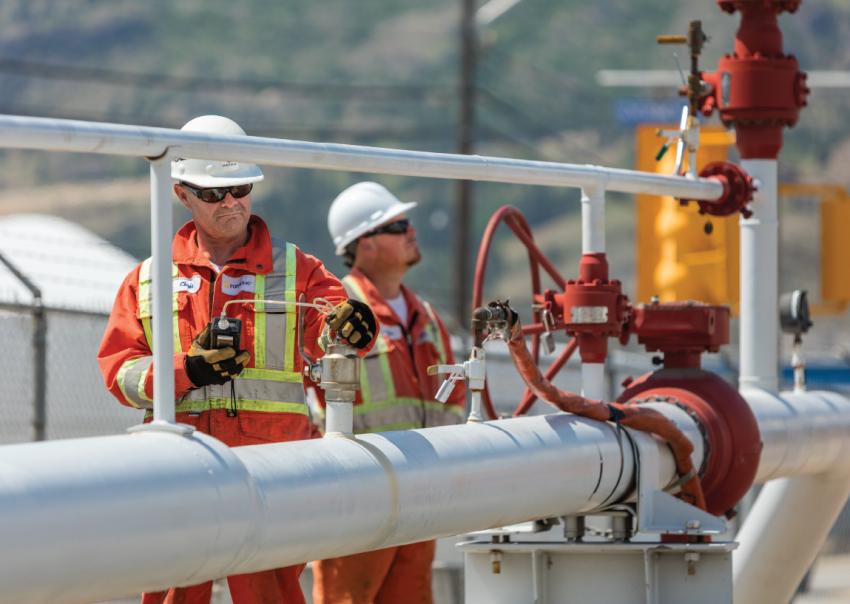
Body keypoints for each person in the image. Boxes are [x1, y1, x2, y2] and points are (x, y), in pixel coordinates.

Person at [97, 115, 376, 604]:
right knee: (172, 593)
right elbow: (121, 373)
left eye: (240, 187)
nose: (231, 202)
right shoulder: (147, 280)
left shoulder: (297, 270)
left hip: (273, 469)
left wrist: (357, 327)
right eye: (213, 193)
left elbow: (337, 327)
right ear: (182, 193)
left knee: (271, 593)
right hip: (181, 467)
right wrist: (189, 371)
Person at [312, 181, 466, 604]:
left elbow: (451, 401)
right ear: (365, 245)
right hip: (358, 494)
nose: (411, 231)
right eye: (397, 225)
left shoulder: (427, 316)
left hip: (420, 493)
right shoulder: (339, 308)